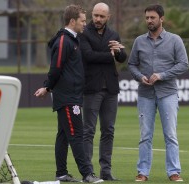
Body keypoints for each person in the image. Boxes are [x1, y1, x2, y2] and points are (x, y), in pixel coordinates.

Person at [34, 4, 103, 183]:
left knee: (64, 135)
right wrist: (48, 87)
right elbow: (56, 68)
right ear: (72, 21)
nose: (85, 24)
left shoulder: (73, 40)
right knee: (76, 134)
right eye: (82, 21)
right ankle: (87, 174)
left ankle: (61, 173)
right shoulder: (64, 41)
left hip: (72, 95)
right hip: (67, 97)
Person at [128, 4, 189, 182]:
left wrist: (161, 75)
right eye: (147, 18)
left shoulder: (175, 40)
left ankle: (173, 172)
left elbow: (183, 64)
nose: (149, 21)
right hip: (145, 94)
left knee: (170, 135)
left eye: (152, 18)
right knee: (145, 136)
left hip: (168, 93)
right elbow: (131, 64)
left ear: (161, 19)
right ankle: (143, 172)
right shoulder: (139, 41)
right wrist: (140, 77)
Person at [79, 2, 127, 181]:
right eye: (95, 15)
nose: (97, 19)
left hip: (111, 89)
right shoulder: (84, 32)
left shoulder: (113, 34)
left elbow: (121, 57)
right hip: (91, 88)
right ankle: (88, 171)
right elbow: (88, 56)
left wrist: (119, 51)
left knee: (109, 130)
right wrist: (109, 55)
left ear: (108, 17)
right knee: (88, 131)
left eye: (101, 16)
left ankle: (105, 171)